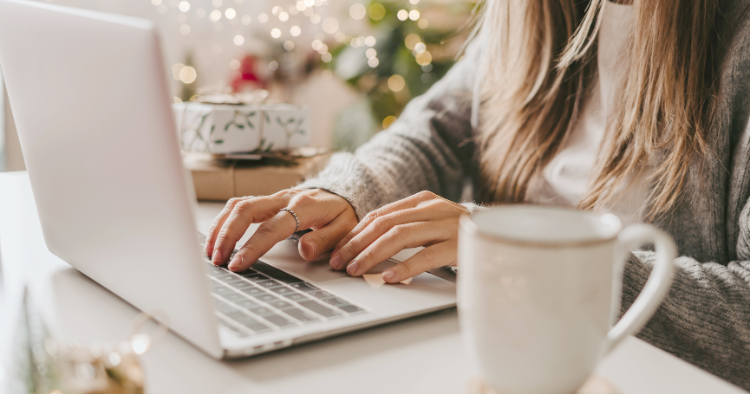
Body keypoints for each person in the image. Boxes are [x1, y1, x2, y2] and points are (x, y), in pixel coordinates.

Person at [205, 0, 750, 389]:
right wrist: (347, 192)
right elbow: (435, 129)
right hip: (488, 346)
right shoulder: (530, 16)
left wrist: (515, 253)